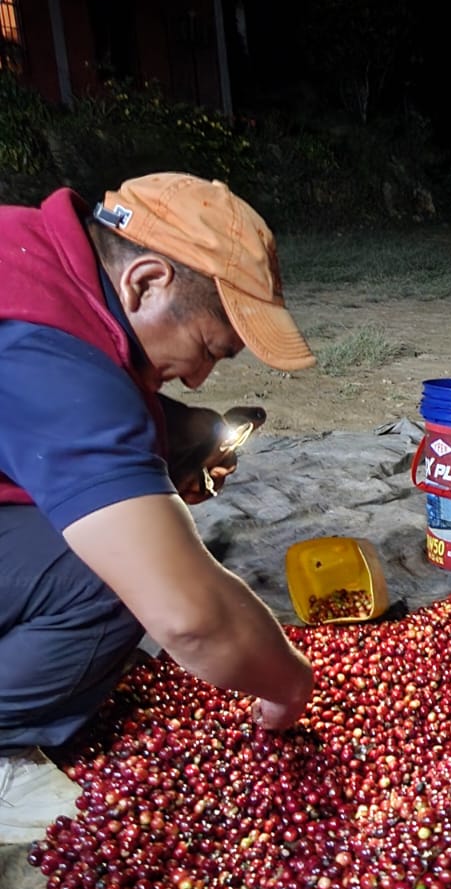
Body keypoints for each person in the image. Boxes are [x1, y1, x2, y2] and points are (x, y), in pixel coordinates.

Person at [0, 172, 317, 843]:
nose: (202, 375)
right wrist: (287, 683)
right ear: (145, 282)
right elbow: (190, 621)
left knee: (175, 439)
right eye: (207, 348)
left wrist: (174, 438)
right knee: (111, 577)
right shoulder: (44, 348)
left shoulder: (33, 257)